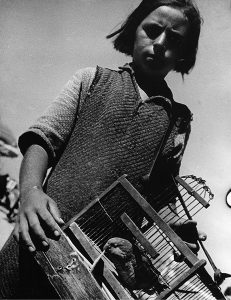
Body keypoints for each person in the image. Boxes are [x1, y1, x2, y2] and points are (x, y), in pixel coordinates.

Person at [0, 0, 205, 298]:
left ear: (185, 53)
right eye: (152, 30)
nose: (160, 44)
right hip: (40, 232)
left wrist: (180, 233)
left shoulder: (178, 120)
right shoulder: (91, 80)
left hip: (96, 266)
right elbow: (42, 139)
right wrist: (31, 191)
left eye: (174, 39)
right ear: (134, 31)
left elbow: (162, 195)